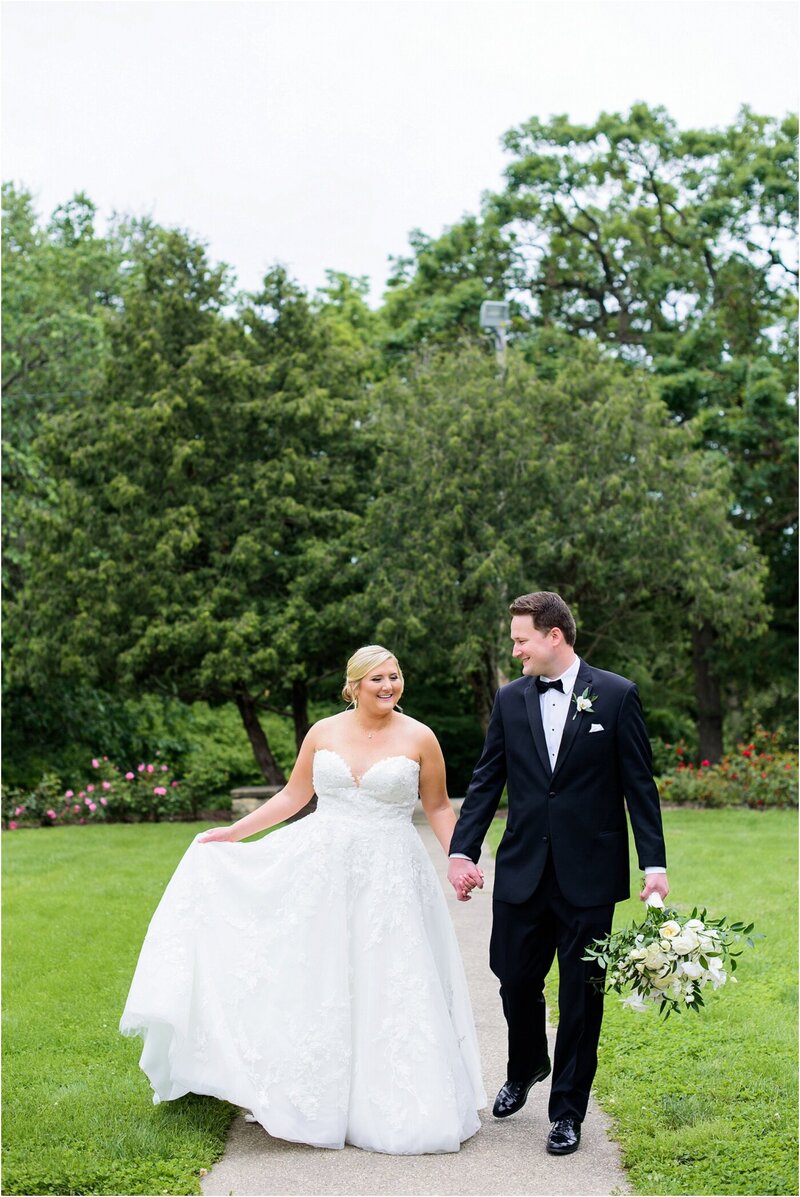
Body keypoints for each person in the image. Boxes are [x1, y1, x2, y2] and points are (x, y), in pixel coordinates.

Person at [120, 646, 486, 1155]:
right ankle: (306, 1092)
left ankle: (397, 1100)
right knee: (318, 975)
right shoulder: (323, 732)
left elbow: (439, 807)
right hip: (323, 870)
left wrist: (460, 858)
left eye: (395, 677)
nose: (388, 686)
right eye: (377, 678)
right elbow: (293, 796)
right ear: (353, 685)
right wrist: (235, 833)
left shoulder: (420, 737)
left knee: (391, 978)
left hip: (390, 875)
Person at [448, 592, 668, 1156]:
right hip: (523, 867)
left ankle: (567, 1110)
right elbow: (485, 779)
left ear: (554, 636)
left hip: (589, 875)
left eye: (521, 638)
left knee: (581, 995)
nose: (515, 648)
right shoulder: (510, 699)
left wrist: (654, 864)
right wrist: (462, 851)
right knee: (513, 976)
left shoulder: (616, 696)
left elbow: (639, 786)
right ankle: (525, 1065)